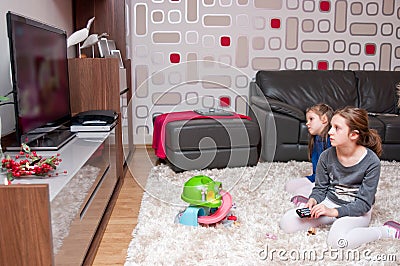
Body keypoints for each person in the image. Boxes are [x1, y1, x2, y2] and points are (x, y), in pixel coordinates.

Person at [280, 106, 400, 249]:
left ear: (353, 135)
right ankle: (330, 218)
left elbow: (363, 204)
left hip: (357, 210)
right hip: (331, 202)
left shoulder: (371, 162)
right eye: (331, 126)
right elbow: (320, 188)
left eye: (337, 128)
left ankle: (386, 231)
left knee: (337, 242)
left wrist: (333, 212)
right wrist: (314, 200)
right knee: (287, 222)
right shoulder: (326, 156)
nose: (330, 132)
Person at [285, 103, 333, 203]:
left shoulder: (332, 140)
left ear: (324, 119)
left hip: (328, 182)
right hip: (315, 178)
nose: (307, 123)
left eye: (311, 119)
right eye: (307, 120)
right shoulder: (316, 139)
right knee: (289, 186)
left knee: (301, 192)